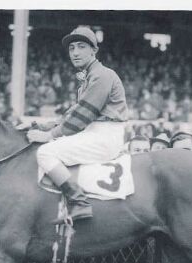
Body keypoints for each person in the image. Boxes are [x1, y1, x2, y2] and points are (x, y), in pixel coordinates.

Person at [27, 26, 127, 222]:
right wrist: (46, 126)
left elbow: (81, 116)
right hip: (96, 132)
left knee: (45, 152)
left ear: (94, 50)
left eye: (81, 46)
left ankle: (79, 202)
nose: (75, 52)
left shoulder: (101, 75)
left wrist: (49, 135)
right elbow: (72, 113)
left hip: (104, 136)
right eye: (72, 48)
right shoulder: (89, 77)